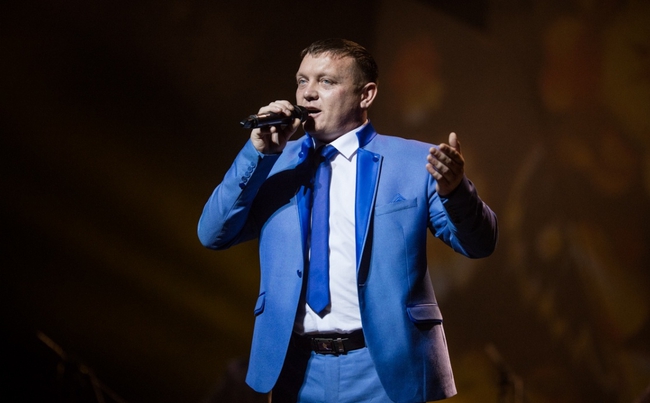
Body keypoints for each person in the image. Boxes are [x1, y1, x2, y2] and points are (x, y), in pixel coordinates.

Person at [198, 38, 498, 403]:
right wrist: (256, 154)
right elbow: (212, 233)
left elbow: (479, 244)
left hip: (386, 369)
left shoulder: (415, 162)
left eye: (326, 81)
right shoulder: (273, 164)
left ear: (366, 95)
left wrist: (456, 192)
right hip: (296, 368)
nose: (308, 93)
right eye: (302, 81)